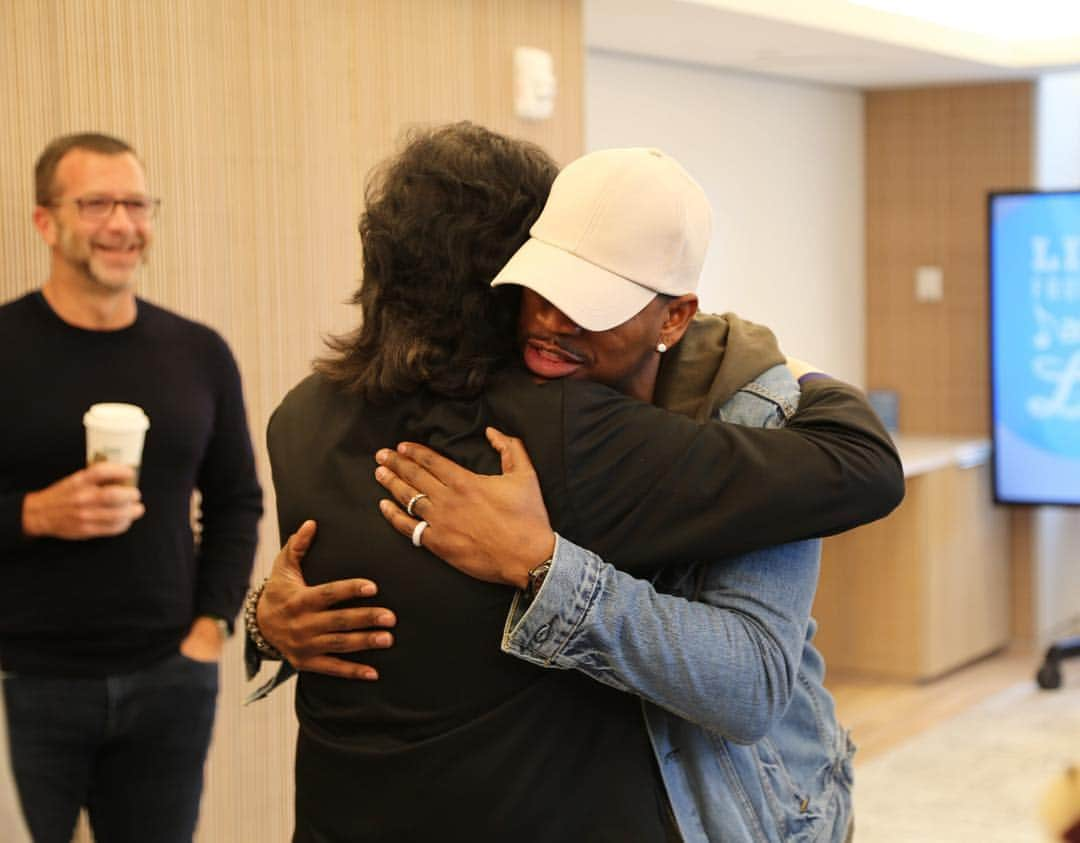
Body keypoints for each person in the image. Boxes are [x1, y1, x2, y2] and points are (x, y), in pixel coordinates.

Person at [251, 125, 901, 841]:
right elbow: (859, 468)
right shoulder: (557, 430)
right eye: (543, 286)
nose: (554, 318)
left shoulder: (299, 418)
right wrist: (791, 371)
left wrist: (262, 618)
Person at [0, 133, 263, 843]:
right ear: (45, 222)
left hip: (169, 677)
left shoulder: (198, 352)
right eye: (96, 204)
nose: (122, 223)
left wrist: (211, 629)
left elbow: (237, 499)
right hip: (24, 680)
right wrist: (31, 513)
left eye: (137, 204)